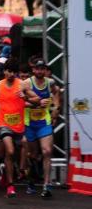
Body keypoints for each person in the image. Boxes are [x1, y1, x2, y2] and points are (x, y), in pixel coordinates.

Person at [0, 59, 40, 198]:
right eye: (8, 71)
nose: (10, 74)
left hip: (19, 126)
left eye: (13, 72)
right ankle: (11, 186)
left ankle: (6, 171)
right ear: (4, 71)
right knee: (10, 151)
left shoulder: (22, 85)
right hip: (3, 123)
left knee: (14, 153)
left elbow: (37, 100)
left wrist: (25, 98)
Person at [24, 59, 60, 198]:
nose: (39, 71)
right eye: (37, 69)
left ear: (45, 70)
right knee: (33, 155)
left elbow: (57, 92)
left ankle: (46, 184)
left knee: (47, 151)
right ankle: (31, 179)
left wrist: (56, 107)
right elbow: (20, 100)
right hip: (29, 123)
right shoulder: (27, 83)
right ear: (33, 70)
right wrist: (35, 103)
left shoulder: (50, 83)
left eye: (42, 69)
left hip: (44, 122)